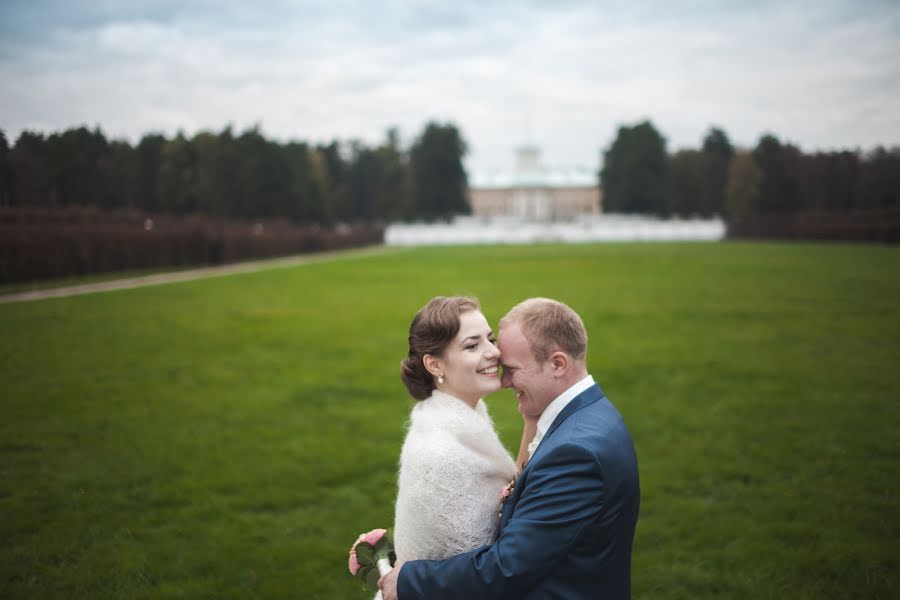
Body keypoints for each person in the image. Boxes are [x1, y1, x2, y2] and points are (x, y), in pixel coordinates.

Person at [380, 297, 640, 600]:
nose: (504, 379)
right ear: (434, 364)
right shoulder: (592, 415)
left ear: (557, 364)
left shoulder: (575, 452)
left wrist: (409, 579)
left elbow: (505, 567)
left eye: (511, 366)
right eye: (472, 345)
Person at [389, 297, 534, 584]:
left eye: (490, 339)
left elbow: (512, 485)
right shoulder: (440, 453)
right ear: (434, 364)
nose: (494, 352)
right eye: (472, 345)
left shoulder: (463, 416)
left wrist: (532, 418)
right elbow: (478, 572)